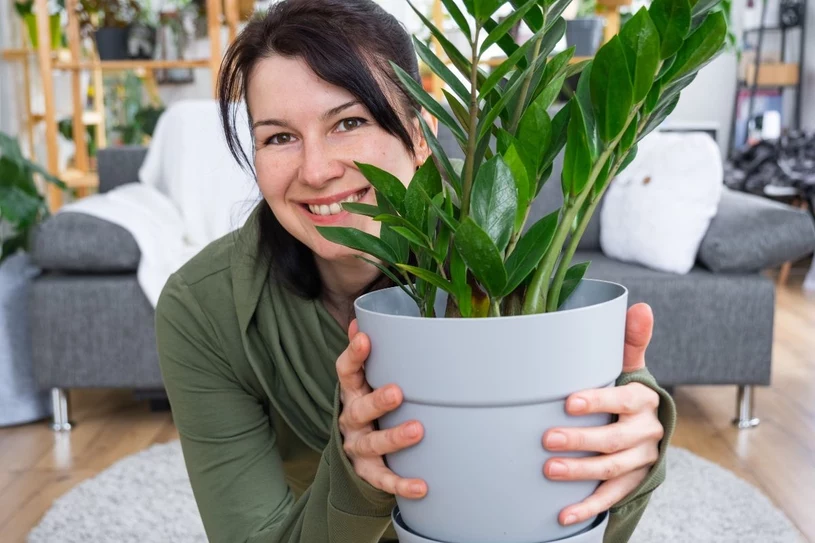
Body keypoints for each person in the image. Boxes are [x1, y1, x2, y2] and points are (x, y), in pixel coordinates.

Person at [154, 1, 676, 542]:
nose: (315, 170)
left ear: (420, 134)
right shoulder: (204, 307)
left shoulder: (503, 269)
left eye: (349, 122)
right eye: (279, 137)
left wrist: (622, 452)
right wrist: (358, 481)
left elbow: (554, 516)